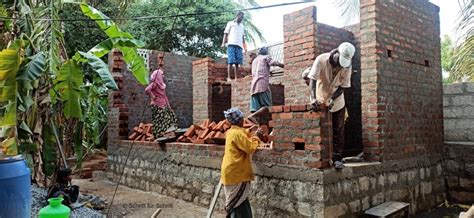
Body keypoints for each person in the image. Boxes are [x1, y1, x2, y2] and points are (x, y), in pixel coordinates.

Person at [305, 42, 355, 170]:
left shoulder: (347, 66)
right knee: (323, 130)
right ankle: (322, 157)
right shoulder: (321, 59)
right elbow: (313, 79)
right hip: (320, 99)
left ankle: (337, 158)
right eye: (339, 61)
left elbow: (343, 87)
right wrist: (312, 98)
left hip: (337, 101)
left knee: (338, 130)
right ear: (336, 53)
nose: (340, 65)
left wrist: (333, 98)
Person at [221, 108, 264, 218]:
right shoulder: (238, 134)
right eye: (242, 119)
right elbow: (250, 148)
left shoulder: (231, 131)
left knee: (239, 200)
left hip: (230, 171)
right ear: (239, 121)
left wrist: (249, 130)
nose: (243, 120)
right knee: (236, 202)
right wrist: (257, 137)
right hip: (236, 173)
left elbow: (241, 134)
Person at [247, 47, 284, 124]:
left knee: (256, 109)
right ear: (266, 52)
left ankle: (258, 126)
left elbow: (259, 70)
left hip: (253, 87)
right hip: (262, 85)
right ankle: (252, 116)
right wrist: (284, 65)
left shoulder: (255, 60)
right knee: (268, 107)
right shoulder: (266, 57)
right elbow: (274, 62)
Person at [145, 68, 178, 138]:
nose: (163, 76)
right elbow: (147, 90)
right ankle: (159, 134)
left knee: (172, 116)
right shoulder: (154, 84)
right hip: (156, 105)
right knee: (161, 119)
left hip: (163, 104)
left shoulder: (162, 85)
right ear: (158, 76)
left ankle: (165, 133)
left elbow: (165, 96)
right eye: (162, 75)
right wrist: (153, 96)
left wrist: (169, 107)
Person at [222, 11, 246, 81]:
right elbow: (225, 33)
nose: (242, 18)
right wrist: (223, 43)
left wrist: (245, 47)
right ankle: (228, 77)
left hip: (239, 45)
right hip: (231, 44)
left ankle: (236, 78)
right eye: (241, 17)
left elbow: (243, 37)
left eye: (242, 18)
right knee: (230, 61)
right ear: (237, 16)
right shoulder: (230, 23)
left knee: (237, 63)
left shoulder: (242, 26)